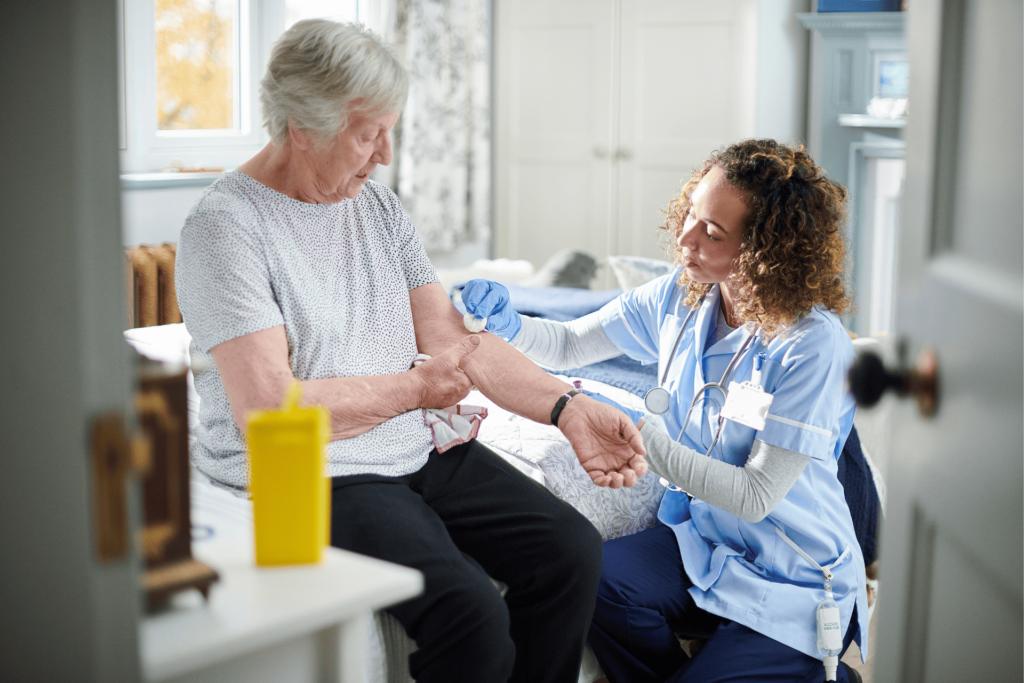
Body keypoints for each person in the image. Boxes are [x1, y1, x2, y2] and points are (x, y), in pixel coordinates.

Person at [175, 19, 648, 683]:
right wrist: (420, 391)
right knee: (472, 616)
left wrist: (568, 406)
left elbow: (453, 341)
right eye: (369, 134)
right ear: (301, 126)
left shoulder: (377, 207)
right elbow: (267, 409)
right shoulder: (227, 229)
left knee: (569, 550)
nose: (386, 154)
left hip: (413, 446)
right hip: (311, 468)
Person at [462, 139, 870, 683]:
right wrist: (508, 324)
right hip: (705, 546)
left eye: (712, 233)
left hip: (792, 578)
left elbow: (754, 496)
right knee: (596, 581)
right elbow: (565, 345)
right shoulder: (682, 294)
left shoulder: (812, 345)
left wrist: (635, 433)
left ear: (764, 248)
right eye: (693, 216)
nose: (685, 238)